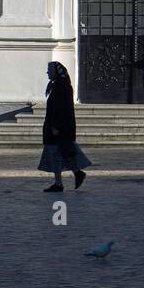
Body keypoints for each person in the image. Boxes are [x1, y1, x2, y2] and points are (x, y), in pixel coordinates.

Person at [39, 62, 91, 192]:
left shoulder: (60, 86)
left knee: (58, 153)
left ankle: (61, 182)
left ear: (56, 71)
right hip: (58, 127)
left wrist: (56, 126)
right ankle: (72, 175)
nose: (47, 73)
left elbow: (61, 108)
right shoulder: (59, 84)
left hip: (58, 128)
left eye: (49, 70)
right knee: (62, 153)